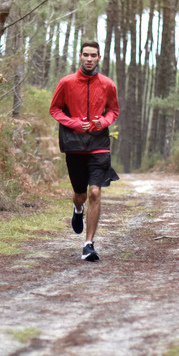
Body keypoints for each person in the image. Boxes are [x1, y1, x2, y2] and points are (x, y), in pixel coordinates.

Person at [49, 40, 120, 262]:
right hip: (75, 145)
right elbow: (55, 109)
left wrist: (103, 122)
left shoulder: (108, 84)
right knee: (80, 194)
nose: (90, 59)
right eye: (86, 55)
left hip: (99, 144)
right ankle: (77, 209)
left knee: (95, 192)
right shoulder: (67, 83)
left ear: (99, 58)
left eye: (94, 55)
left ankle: (88, 244)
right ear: (80, 56)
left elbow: (114, 110)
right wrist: (74, 124)